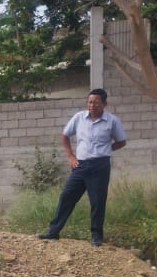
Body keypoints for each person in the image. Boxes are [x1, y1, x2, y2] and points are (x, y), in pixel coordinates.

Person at [37, 88, 128, 247]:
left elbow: (121, 141)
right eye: (90, 102)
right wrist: (70, 156)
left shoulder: (112, 121)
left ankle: (96, 236)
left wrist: (106, 150)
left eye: (96, 103)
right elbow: (65, 135)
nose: (92, 105)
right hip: (80, 165)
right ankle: (53, 231)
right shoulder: (79, 117)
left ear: (104, 104)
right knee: (66, 196)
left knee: (97, 201)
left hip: (100, 166)